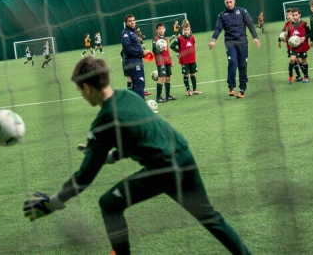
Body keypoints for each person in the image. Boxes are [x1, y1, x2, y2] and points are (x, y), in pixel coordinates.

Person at [23, 57, 252, 255]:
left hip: (163, 169)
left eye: (80, 91)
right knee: (209, 217)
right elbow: (136, 135)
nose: (82, 96)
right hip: (183, 155)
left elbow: (84, 176)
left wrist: (54, 201)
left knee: (108, 204)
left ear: (87, 88)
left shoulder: (104, 121)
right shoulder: (129, 96)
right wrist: (111, 156)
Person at [209, 0, 260, 98]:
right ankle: (231, 87)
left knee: (242, 65)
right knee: (232, 62)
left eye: (230, 2)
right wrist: (213, 40)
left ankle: (242, 89)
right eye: (227, 3)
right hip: (230, 42)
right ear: (225, 3)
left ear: (234, 1)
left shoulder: (242, 11)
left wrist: (255, 37)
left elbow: (250, 23)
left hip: (242, 42)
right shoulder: (222, 15)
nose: (229, 4)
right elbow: (218, 28)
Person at [121, 14, 153, 98]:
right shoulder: (125, 33)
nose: (132, 22)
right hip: (132, 61)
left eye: (133, 20)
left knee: (138, 83)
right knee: (139, 82)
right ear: (126, 23)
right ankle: (141, 105)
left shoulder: (133, 32)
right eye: (130, 21)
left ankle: (135, 104)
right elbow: (128, 48)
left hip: (137, 60)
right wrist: (142, 52)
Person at [170, 20, 202, 96]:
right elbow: (172, 46)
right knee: (186, 75)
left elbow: (193, 47)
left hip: (192, 59)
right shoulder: (180, 38)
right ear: (182, 30)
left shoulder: (192, 37)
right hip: (184, 60)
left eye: (188, 29)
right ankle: (188, 90)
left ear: (190, 29)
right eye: (185, 29)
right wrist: (179, 51)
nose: (186, 31)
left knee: (193, 74)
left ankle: (195, 89)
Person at [285, 8, 311, 84]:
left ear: (300, 15)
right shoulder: (289, 25)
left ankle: (306, 76)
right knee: (292, 59)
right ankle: (290, 76)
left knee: (303, 60)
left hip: (303, 45)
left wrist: (305, 37)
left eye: (296, 15)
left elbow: (309, 33)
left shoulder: (304, 23)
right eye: (293, 15)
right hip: (294, 46)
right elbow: (288, 36)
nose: (294, 17)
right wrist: (289, 40)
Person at [152, 23, 176, 103]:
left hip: (167, 60)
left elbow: (167, 51)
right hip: (160, 61)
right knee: (161, 78)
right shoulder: (155, 39)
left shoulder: (165, 39)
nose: (161, 30)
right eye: (159, 29)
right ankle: (158, 97)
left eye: (162, 28)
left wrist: (170, 60)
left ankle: (167, 96)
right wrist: (160, 50)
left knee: (168, 78)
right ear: (157, 31)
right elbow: (154, 50)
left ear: (165, 29)